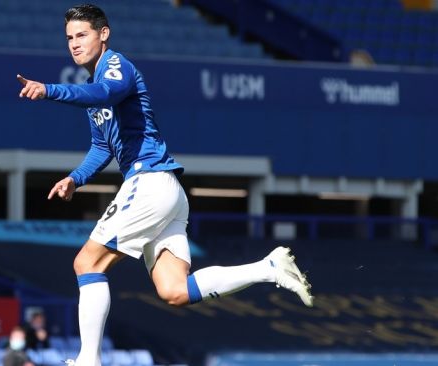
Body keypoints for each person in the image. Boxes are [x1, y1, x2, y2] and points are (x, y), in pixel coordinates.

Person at [17, 4, 313, 366]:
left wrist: (48, 90)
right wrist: (75, 178)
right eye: (69, 38)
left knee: (86, 263)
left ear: (103, 34)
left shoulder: (115, 66)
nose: (74, 44)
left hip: (149, 183)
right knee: (174, 291)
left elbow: (106, 95)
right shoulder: (94, 88)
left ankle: (88, 361)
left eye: (82, 35)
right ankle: (268, 268)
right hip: (166, 192)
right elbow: (101, 146)